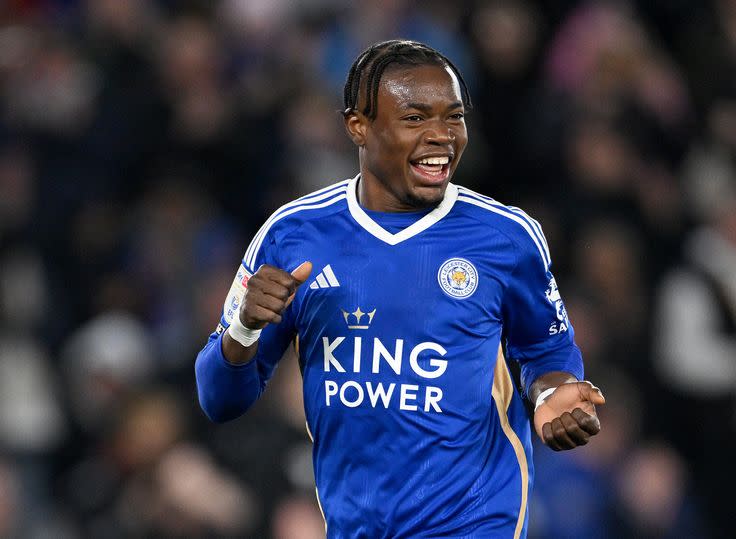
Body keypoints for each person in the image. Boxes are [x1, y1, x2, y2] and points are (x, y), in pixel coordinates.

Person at [195, 39, 604, 538]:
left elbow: (546, 349)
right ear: (358, 127)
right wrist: (244, 326)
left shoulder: (506, 238)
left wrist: (552, 395)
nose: (442, 136)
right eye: (415, 119)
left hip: (476, 523)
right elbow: (219, 399)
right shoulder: (293, 234)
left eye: (453, 117)